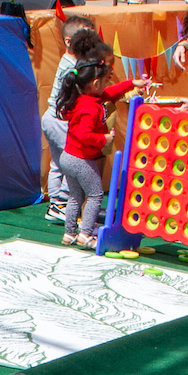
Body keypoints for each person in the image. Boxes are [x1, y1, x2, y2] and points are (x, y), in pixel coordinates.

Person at [54, 56, 143, 247]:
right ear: (95, 83)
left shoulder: (87, 98)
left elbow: (111, 92)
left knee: (75, 195)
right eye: (104, 82)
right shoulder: (90, 107)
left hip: (68, 157)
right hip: (80, 159)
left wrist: (131, 83)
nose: (106, 85)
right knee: (95, 194)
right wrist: (104, 139)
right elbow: (84, 134)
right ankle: (85, 234)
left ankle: (69, 233)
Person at [43, 18, 108, 220]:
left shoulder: (69, 62)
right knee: (73, 158)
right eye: (85, 37)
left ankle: (56, 203)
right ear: (70, 41)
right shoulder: (73, 67)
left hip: (51, 118)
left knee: (58, 162)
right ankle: (63, 202)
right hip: (60, 121)